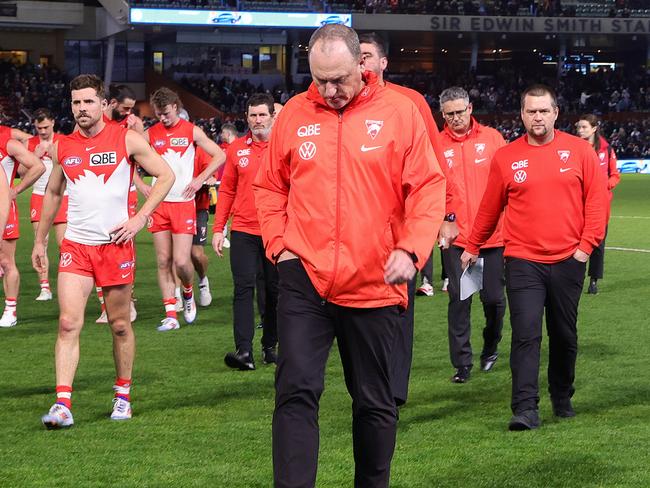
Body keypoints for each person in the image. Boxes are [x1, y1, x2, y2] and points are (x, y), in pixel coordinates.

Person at [253, 25, 445, 486]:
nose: (329, 90)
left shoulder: (401, 111)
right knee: (295, 391)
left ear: (363, 64)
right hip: (306, 276)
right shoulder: (295, 114)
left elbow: (427, 187)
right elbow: (269, 187)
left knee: (375, 402)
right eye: (319, 80)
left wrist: (411, 248)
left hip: (376, 280)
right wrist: (280, 246)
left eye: (338, 78)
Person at [461, 84, 608, 431]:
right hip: (523, 260)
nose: (537, 116)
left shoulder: (579, 152)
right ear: (522, 114)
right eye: (531, 111)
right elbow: (489, 208)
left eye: (544, 110)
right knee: (525, 334)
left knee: (564, 335)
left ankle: (561, 395)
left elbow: (597, 204)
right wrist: (472, 246)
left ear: (556, 113)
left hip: (568, 261)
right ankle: (525, 408)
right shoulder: (506, 157)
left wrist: (584, 249)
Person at [33, 74, 174, 428]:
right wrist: (40, 240)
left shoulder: (126, 139)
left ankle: (122, 394)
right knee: (67, 323)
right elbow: (52, 193)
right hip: (76, 247)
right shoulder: (62, 146)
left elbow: (166, 175)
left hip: (115, 247)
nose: (81, 109)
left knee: (121, 325)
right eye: (76, 102)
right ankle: (63, 404)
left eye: (88, 102)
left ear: (103, 104)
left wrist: (141, 217)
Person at [359, 31, 452, 406]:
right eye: (357, 56)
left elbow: (434, 164)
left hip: (400, 227)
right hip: (357, 228)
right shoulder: (342, 102)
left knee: (400, 310)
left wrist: (446, 214)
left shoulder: (409, 102)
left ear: (383, 62)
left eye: (366, 55)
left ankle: (394, 390)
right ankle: (368, 384)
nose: (361, 62)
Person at [437, 86, 507, 383]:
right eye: (449, 114)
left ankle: (490, 346)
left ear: (470, 108)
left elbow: (507, 185)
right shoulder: (435, 146)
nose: (455, 118)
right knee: (460, 300)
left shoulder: (493, 139)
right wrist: (443, 221)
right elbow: (430, 189)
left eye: (459, 111)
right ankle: (462, 363)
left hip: (494, 237)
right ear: (443, 115)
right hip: (458, 239)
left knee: (493, 300)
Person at [143, 87, 225, 331]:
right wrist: (141, 185)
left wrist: (200, 178)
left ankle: (188, 293)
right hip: (159, 205)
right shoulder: (150, 134)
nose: (162, 118)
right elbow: (128, 160)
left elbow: (219, 155)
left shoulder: (191, 131)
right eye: (158, 114)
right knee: (162, 260)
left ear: (176, 108)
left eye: (166, 113)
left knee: (181, 261)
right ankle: (170, 313)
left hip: (183, 204)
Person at [213, 93, 280, 370]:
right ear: (247, 118)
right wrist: (219, 229)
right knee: (243, 289)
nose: (257, 120)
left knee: (275, 291)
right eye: (253, 115)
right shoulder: (236, 149)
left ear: (272, 117)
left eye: (262, 115)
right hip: (243, 230)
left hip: (276, 230)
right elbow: (227, 189)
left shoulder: (282, 147)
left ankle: (270, 346)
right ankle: (244, 352)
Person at [95, 84, 144, 323]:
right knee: (94, 248)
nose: (129, 113)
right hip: (95, 197)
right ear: (112, 104)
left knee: (122, 247)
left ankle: (128, 302)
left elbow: (145, 158)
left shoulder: (130, 127)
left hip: (125, 198)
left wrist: (140, 130)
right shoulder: (93, 126)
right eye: (125, 108)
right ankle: (105, 305)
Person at [0, 122, 45, 328]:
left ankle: (10, 310)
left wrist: (16, 190)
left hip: (4, 211)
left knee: (6, 262)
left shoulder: (8, 142)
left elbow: (38, 166)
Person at [575, 114, 620, 294]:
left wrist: (603, 187)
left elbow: (615, 175)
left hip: (600, 204)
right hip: (578, 202)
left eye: (584, 127)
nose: (580, 131)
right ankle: (574, 277)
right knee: (576, 240)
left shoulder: (606, 149)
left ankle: (593, 280)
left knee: (598, 243)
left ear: (594, 128)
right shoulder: (574, 148)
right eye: (579, 127)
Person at [26, 108, 67, 302]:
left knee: (64, 244)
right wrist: (34, 156)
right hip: (39, 196)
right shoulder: (30, 144)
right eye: (39, 127)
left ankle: (67, 283)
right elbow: (22, 175)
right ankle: (45, 287)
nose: (42, 131)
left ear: (53, 122)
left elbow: (72, 167)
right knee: (41, 242)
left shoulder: (63, 141)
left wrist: (55, 156)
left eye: (46, 127)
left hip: (62, 196)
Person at [191, 145, 217, 307]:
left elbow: (210, 170)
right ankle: (178, 297)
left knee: (196, 254)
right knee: (173, 256)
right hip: (175, 206)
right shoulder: (166, 147)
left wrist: (211, 177)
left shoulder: (199, 150)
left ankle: (202, 281)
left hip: (198, 206)